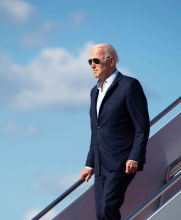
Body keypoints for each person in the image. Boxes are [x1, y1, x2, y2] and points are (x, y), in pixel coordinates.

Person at [79, 43, 150, 220]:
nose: (92, 65)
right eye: (90, 61)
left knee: (107, 209)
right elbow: (96, 131)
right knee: (101, 214)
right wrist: (89, 164)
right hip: (101, 165)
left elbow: (142, 125)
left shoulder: (129, 86)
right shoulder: (93, 92)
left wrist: (134, 157)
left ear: (111, 61)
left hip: (121, 162)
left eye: (96, 60)